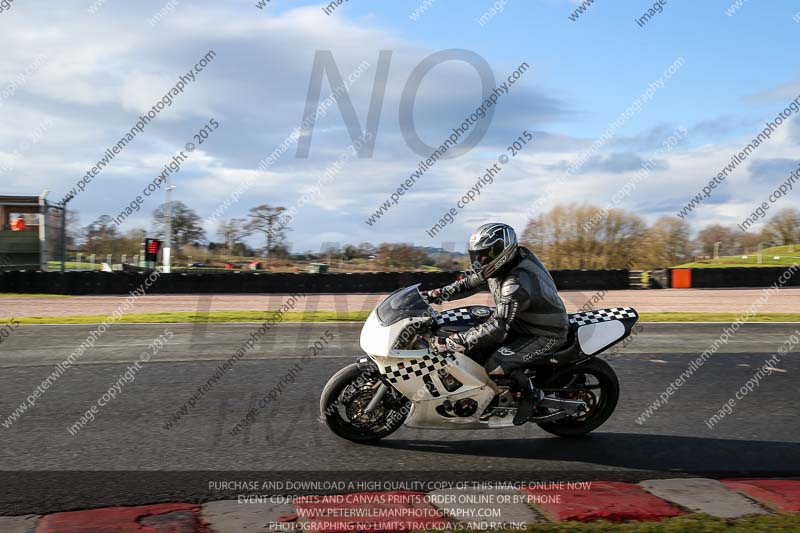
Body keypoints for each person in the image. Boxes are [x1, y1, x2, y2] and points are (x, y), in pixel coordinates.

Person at [425, 223, 569, 425]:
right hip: (522, 321)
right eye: (476, 255)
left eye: (485, 255)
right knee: (472, 334)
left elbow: (497, 327)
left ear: (502, 251)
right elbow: (469, 282)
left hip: (544, 333)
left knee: (496, 363)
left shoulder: (516, 283)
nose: (479, 261)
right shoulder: (507, 261)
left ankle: (531, 396)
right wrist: (435, 295)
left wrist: (454, 341)